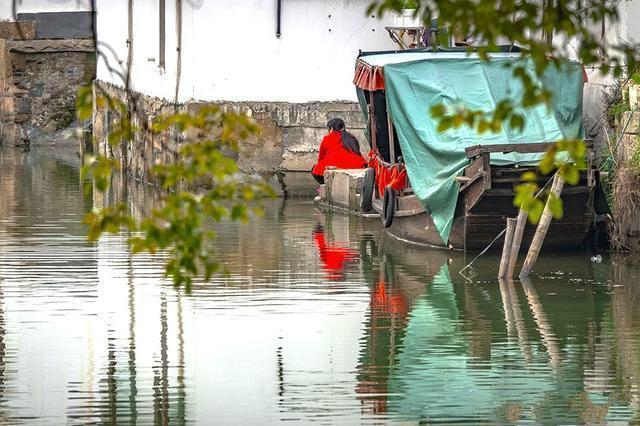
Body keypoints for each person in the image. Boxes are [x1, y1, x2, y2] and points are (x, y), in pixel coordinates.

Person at [311, 118, 366, 184]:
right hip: (357, 169)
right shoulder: (351, 137)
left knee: (315, 169)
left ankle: (325, 186)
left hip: (336, 169)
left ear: (331, 128)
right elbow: (357, 152)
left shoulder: (327, 138)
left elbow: (320, 158)